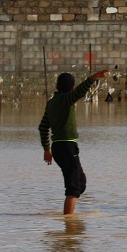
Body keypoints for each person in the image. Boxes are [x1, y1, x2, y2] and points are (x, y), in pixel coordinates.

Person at [39, 69, 109, 214]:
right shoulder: (66, 99)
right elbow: (79, 92)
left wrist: (47, 149)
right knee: (73, 187)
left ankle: (71, 219)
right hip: (67, 147)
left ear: (57, 86)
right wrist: (93, 78)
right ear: (71, 87)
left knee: (80, 182)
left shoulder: (51, 103)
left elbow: (43, 127)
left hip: (58, 147)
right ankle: (68, 224)